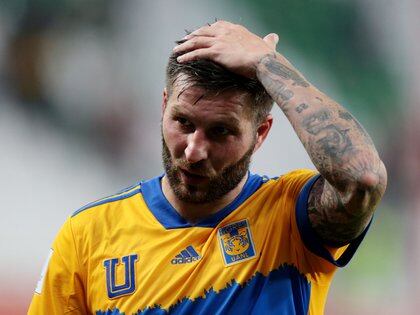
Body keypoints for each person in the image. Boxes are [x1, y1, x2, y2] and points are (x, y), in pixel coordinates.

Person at [28, 21, 387, 314]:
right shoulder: (88, 235)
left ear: (260, 133)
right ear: (164, 106)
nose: (194, 150)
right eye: (183, 122)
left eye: (221, 131)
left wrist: (268, 63)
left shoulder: (289, 218)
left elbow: (362, 177)